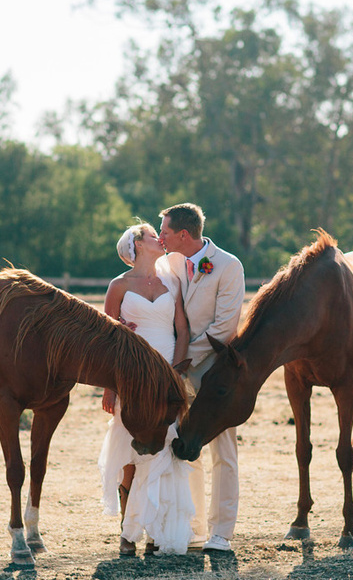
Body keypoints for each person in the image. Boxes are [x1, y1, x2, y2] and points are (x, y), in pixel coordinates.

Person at [98, 222, 194, 556]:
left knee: (164, 452)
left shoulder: (172, 281)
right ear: (138, 244)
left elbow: (181, 330)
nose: (161, 239)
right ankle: (128, 532)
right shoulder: (119, 286)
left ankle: (156, 531)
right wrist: (110, 389)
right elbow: (107, 341)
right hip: (132, 377)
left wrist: (177, 373)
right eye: (155, 236)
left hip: (168, 374)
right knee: (130, 452)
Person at [159, 203, 245, 552]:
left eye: (164, 231)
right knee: (181, 445)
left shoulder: (228, 266)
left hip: (214, 373)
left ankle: (221, 532)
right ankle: (191, 528)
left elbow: (224, 329)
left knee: (223, 451)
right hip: (175, 370)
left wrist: (181, 360)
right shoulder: (169, 262)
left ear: (183, 234)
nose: (160, 236)